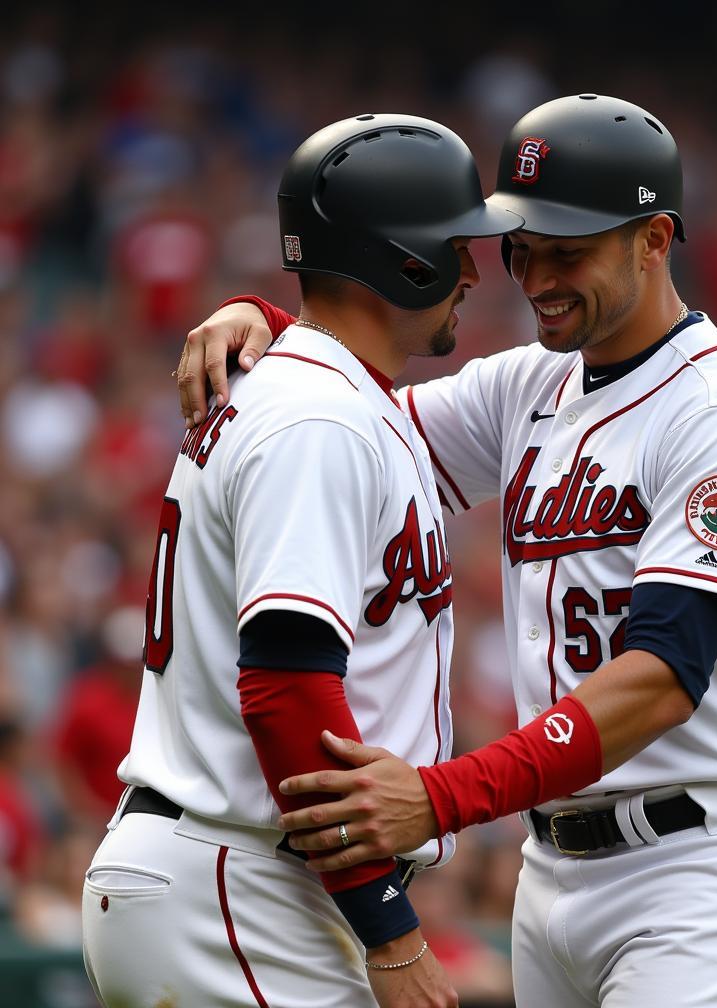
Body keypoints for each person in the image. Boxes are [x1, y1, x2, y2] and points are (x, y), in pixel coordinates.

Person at [179, 94, 717, 1008]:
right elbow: (337, 436)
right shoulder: (531, 383)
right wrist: (275, 320)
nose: (536, 278)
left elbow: (662, 675)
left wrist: (443, 795)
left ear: (655, 238)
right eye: (521, 249)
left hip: (701, 868)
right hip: (552, 873)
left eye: (569, 251)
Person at [83, 113, 522, 1008]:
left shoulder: (327, 396)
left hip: (237, 874)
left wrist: (268, 310)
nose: (473, 271)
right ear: (405, 258)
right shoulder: (319, 420)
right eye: (457, 246)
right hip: (236, 879)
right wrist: (393, 935)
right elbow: (285, 687)